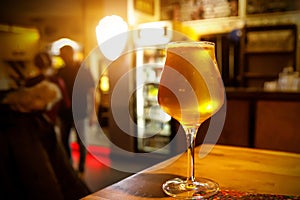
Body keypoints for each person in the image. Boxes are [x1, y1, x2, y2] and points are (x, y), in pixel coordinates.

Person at [0, 52, 90, 200]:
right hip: (63, 118)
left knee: (65, 147)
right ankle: (80, 168)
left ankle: (78, 167)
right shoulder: (57, 79)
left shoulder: (35, 84)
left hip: (57, 121)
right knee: (72, 146)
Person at [57, 45, 95, 177]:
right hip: (65, 112)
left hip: (79, 110)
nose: (63, 58)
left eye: (64, 55)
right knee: (64, 140)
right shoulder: (60, 71)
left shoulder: (82, 70)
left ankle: (81, 168)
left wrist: (93, 113)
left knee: (80, 141)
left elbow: (92, 92)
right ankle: (70, 167)